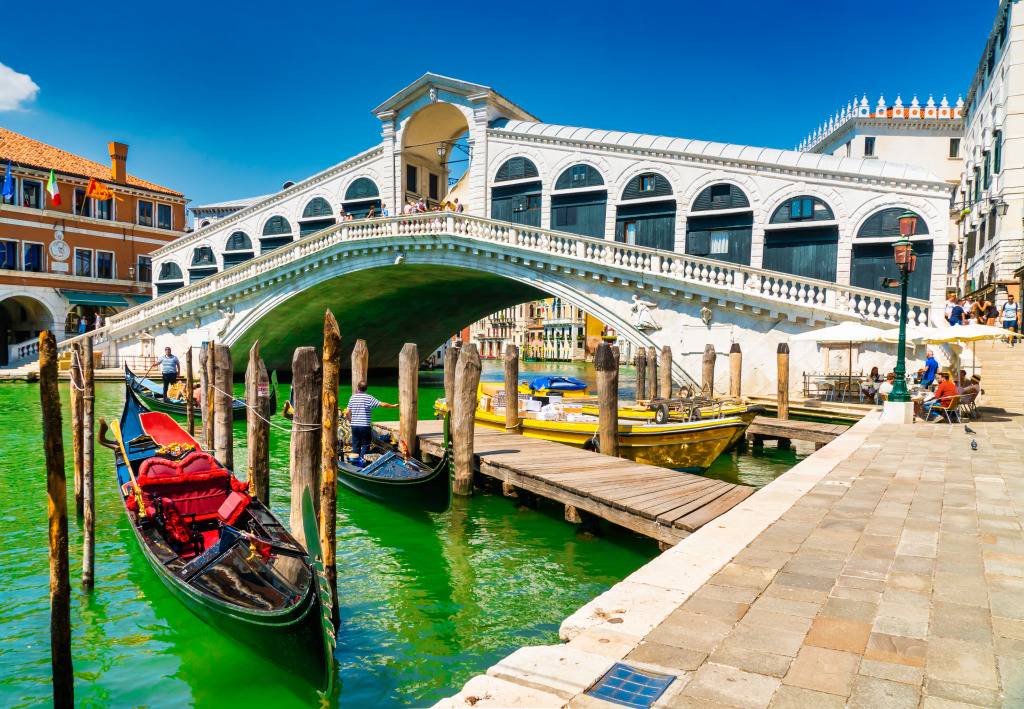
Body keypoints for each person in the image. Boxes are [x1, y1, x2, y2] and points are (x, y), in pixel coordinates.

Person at [343, 380, 398, 465]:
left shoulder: (352, 398)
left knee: (356, 444)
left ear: (358, 388)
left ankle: (355, 463)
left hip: (355, 426)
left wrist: (351, 421)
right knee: (365, 444)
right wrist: (393, 406)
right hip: (364, 425)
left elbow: (347, 412)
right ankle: (362, 463)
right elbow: (382, 404)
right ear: (366, 389)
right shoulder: (369, 398)